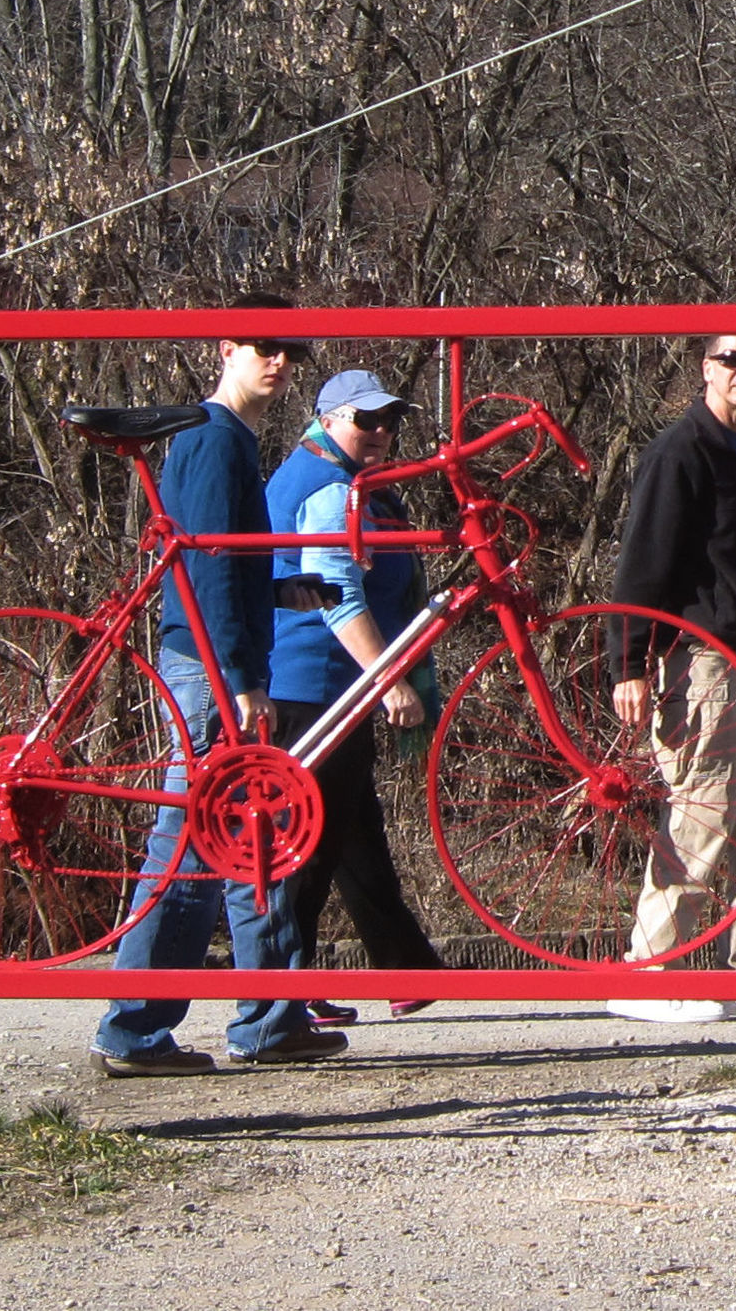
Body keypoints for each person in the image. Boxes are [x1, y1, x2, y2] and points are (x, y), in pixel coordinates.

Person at [93, 301, 344, 1076]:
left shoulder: (233, 440)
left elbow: (225, 567)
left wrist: (280, 589)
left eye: (287, 352)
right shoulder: (211, 439)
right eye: (263, 348)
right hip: (207, 668)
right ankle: (135, 1026)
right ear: (225, 349)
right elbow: (197, 571)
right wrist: (239, 676)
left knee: (243, 835)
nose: (277, 363)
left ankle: (267, 1015)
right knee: (195, 842)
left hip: (218, 660)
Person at [254, 367, 451, 1034]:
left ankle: (401, 971)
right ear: (328, 418)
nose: (382, 433)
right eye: (365, 420)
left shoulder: (349, 483)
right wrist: (387, 679)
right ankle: (286, 990)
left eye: (390, 421)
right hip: (310, 685)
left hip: (330, 683)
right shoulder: (323, 485)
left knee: (348, 829)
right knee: (315, 838)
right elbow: (336, 595)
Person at [605, 330, 736, 1021]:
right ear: (703, 367)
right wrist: (629, 662)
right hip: (704, 656)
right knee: (701, 813)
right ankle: (650, 972)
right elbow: (643, 562)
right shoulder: (678, 451)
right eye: (730, 358)